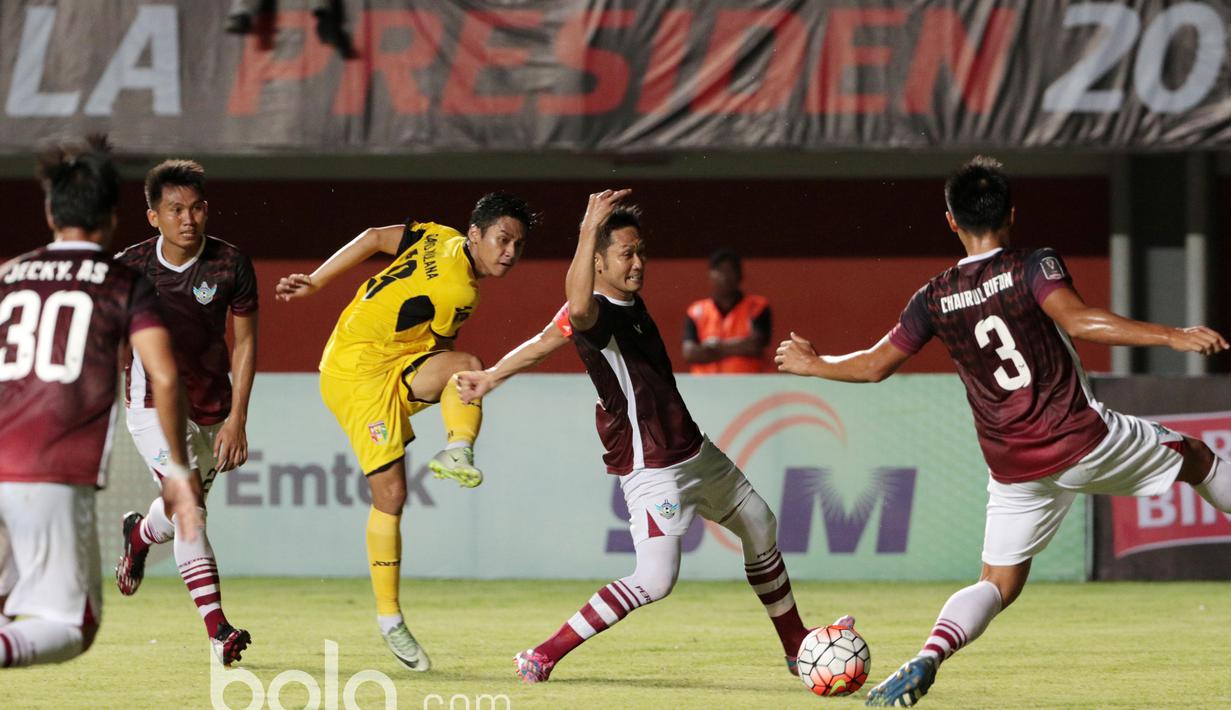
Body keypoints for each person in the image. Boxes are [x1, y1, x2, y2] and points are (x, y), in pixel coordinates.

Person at [774, 156, 1230, 707]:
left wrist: (814, 362)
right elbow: (1080, 321)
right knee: (1199, 457)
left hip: (1013, 467)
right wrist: (1173, 336)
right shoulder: (1032, 265)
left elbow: (874, 364)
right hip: (1080, 438)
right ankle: (925, 658)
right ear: (1012, 213)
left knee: (997, 583)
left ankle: (927, 657)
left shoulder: (933, 296)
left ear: (950, 220)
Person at [455, 190, 847, 684]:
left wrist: (491, 376)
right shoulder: (593, 314)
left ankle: (795, 646)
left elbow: (543, 340)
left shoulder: (623, 301)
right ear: (596, 260)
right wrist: (586, 227)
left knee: (761, 524)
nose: (638, 262)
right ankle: (543, 653)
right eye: (625, 253)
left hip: (693, 450)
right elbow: (574, 311)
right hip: (651, 464)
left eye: (641, 251)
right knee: (656, 579)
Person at [274, 192, 537, 671]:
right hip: (356, 375)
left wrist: (315, 281)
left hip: (386, 356)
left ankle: (458, 450)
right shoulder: (461, 292)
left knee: (467, 369)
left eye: (518, 244)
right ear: (475, 234)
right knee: (391, 494)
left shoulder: (439, 235)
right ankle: (389, 619)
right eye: (502, 239)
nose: (510, 252)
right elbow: (436, 343)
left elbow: (375, 237)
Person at [0, 136, 200, 668]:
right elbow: (164, 373)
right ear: (114, 215)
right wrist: (178, 468)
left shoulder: (8, 275)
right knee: (72, 627)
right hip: (48, 471)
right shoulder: (122, 283)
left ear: (49, 210)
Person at [112, 159, 259, 665]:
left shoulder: (230, 263)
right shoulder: (129, 267)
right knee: (191, 509)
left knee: (180, 514)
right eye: (175, 209)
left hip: (213, 405)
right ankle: (219, 631)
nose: (188, 219)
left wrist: (237, 417)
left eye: (196, 208)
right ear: (154, 216)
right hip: (151, 403)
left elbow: (244, 343)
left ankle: (139, 532)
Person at [682, 248, 772, 374]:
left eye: (730, 271)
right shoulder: (697, 311)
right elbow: (689, 353)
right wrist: (738, 347)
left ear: (740, 275)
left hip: (747, 386)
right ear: (710, 274)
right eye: (720, 270)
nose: (725, 276)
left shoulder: (757, 306)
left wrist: (714, 347)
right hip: (705, 387)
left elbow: (755, 346)